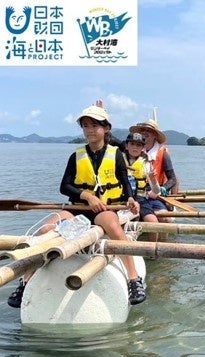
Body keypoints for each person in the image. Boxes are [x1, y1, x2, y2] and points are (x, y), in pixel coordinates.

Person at [8, 104, 146, 308]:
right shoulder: (76, 156)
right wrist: (86, 196)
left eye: (95, 125)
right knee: (46, 229)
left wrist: (131, 200)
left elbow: (125, 184)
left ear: (106, 128)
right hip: (78, 210)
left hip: (104, 210)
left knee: (110, 223)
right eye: (86, 126)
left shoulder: (116, 154)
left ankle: (133, 279)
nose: (90, 130)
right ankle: (25, 281)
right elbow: (65, 186)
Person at [124, 132, 167, 242]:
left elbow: (156, 191)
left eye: (138, 145)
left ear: (143, 148)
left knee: (153, 223)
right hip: (121, 198)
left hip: (141, 199)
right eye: (132, 144)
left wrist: (152, 180)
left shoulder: (146, 164)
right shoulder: (118, 160)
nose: (135, 147)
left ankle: (152, 252)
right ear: (126, 145)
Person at [129, 119, 179, 197]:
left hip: (156, 192)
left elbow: (172, 179)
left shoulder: (163, 153)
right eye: (143, 130)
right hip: (136, 192)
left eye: (149, 130)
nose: (145, 132)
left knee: (176, 177)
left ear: (155, 135)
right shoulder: (134, 150)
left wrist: (162, 189)